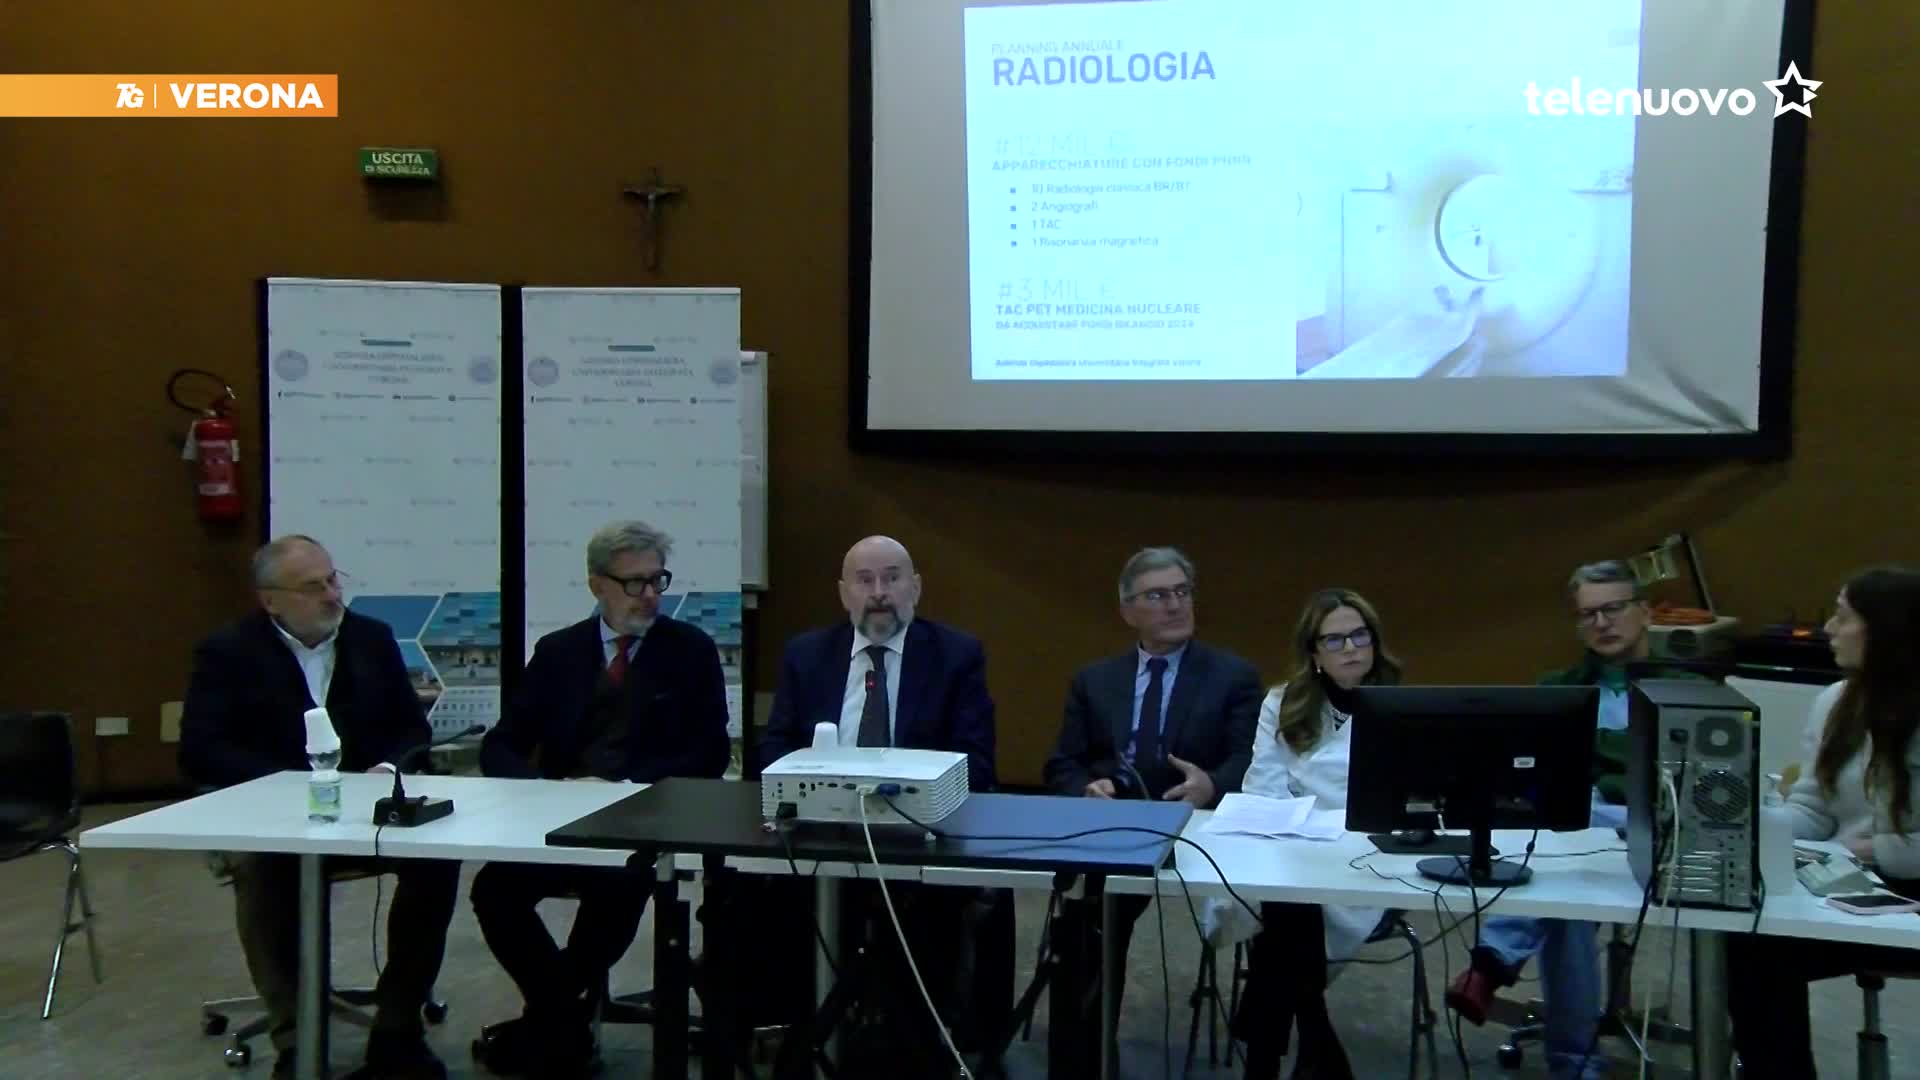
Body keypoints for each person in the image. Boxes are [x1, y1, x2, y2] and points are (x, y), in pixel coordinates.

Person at [181, 536, 459, 1080]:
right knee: (265, 871)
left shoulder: (370, 638)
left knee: (437, 860)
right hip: (274, 817)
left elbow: (411, 729)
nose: (332, 596)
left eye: (333, 580)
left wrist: (386, 768)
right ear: (270, 600)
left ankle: (398, 1027)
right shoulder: (228, 651)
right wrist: (292, 785)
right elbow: (202, 749)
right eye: (313, 587)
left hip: (365, 813)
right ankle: (296, 1040)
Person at [469, 521, 730, 1076]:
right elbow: (502, 743)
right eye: (634, 583)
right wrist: (541, 792)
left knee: (619, 887)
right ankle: (563, 1016)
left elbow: (709, 753)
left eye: (657, 580)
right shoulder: (558, 652)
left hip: (642, 823)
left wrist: (625, 789)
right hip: (560, 818)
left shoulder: (691, 651)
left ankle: (550, 1022)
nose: (650, 594)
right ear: (597, 585)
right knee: (493, 891)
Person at [755, 534, 999, 1073]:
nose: (879, 592)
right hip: (819, 833)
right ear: (844, 593)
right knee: (753, 897)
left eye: (892, 578)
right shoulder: (807, 654)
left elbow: (977, 762)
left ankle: (918, 1040)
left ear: (916, 588)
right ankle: (800, 1028)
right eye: (865, 581)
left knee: (932, 921)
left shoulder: (956, 655)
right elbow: (774, 747)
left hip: (917, 837)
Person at [1447, 559, 1695, 1079]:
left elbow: (1666, 780)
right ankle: (1573, 1062)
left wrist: (1599, 773)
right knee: (1566, 902)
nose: (1602, 623)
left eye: (1613, 609)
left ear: (1644, 612)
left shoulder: (1685, 689)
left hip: (1658, 838)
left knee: (1581, 832)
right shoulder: (1557, 689)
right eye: (1588, 614)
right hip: (1579, 841)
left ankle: (1493, 962)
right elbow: (1534, 777)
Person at [1043, 547, 1261, 1017]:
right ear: (1128, 611)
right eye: (1158, 595)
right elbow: (1063, 764)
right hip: (1116, 829)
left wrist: (1212, 785)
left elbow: (1250, 759)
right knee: (1086, 925)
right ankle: (1086, 1049)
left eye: (1182, 592)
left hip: (1200, 829)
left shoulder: (1233, 677)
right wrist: (1086, 789)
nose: (1175, 605)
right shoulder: (1094, 681)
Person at [1728, 565, 1920, 1078]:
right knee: (1750, 940)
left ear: (1886, 630)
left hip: (1904, 886)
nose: (1829, 629)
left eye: (1843, 617)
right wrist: (1758, 825)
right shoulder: (1834, 702)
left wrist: (1884, 849)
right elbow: (1813, 811)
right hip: (1859, 887)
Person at [1229, 588, 1404, 1079]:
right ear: (1314, 653)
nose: (1350, 648)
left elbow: (1402, 800)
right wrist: (1300, 829)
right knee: (1289, 899)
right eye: (1334, 640)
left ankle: (1270, 1058)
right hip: (1289, 848)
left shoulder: (1399, 705)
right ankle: (1314, 1040)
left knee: (1285, 917)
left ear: (1374, 642)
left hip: (1366, 861)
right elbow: (1263, 787)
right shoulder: (1283, 703)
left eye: (1359, 636)